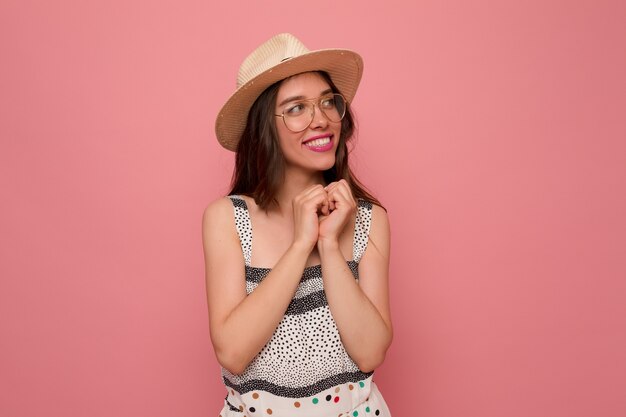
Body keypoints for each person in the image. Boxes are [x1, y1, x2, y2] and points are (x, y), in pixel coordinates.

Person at [202, 33, 392, 417]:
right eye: (295, 108)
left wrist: (328, 244)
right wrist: (300, 244)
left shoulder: (369, 218)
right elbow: (233, 353)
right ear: (262, 128)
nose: (320, 119)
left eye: (327, 102)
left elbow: (371, 351)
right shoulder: (227, 218)